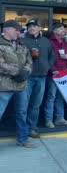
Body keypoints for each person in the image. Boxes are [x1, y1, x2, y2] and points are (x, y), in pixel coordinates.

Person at [0, 20, 34, 148]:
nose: (19, 33)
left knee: (22, 113)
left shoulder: (22, 44)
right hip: (3, 86)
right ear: (7, 30)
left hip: (21, 86)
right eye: (16, 30)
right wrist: (17, 72)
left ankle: (23, 139)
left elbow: (29, 61)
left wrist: (25, 73)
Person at [22, 19, 55, 138]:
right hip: (27, 77)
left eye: (34, 26)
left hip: (42, 77)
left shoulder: (46, 41)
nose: (31, 28)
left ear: (39, 28)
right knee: (23, 105)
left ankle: (32, 129)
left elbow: (52, 56)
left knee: (36, 105)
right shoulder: (22, 41)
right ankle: (22, 130)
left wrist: (47, 66)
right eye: (30, 26)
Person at [45, 23, 67, 128]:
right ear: (55, 31)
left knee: (60, 97)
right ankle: (48, 120)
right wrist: (53, 70)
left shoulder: (65, 43)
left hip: (63, 74)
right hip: (53, 74)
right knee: (51, 97)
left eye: (64, 29)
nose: (64, 31)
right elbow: (46, 58)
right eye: (61, 29)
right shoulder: (49, 42)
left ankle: (59, 118)